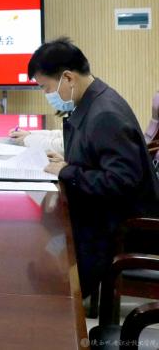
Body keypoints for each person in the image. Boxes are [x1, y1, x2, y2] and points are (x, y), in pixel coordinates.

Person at [29, 37, 159, 298]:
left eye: (46, 88)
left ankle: (65, 303)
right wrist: (67, 163)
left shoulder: (105, 114)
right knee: (43, 232)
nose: (47, 95)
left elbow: (121, 181)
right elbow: (99, 159)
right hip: (104, 216)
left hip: (121, 228)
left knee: (48, 271)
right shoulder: (93, 101)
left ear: (68, 78)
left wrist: (67, 171)